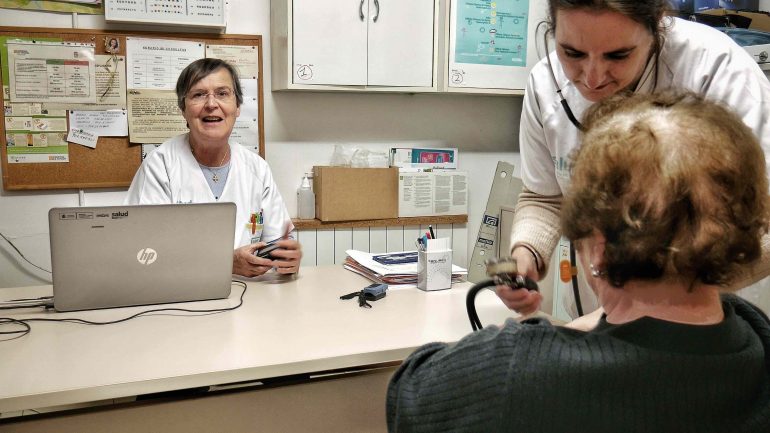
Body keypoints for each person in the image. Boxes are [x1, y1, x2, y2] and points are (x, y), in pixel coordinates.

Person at [387, 92, 770, 432]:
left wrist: (526, 338)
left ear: (597, 248)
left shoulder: (515, 369)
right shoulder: (757, 337)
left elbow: (409, 395)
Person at [499, 0, 770, 316]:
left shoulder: (717, 70)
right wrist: (525, 254)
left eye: (618, 55)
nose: (593, 78)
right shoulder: (546, 82)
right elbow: (544, 197)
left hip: (712, 323)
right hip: (605, 321)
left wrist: (651, 300)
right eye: (572, 53)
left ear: (657, 27)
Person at [125, 58, 301, 277]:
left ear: (237, 107)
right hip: (181, 297)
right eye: (198, 94)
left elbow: (278, 242)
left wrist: (287, 257)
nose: (211, 104)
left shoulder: (256, 168)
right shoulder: (160, 165)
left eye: (222, 93)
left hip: (251, 298)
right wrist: (225, 262)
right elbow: (143, 253)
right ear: (183, 109)